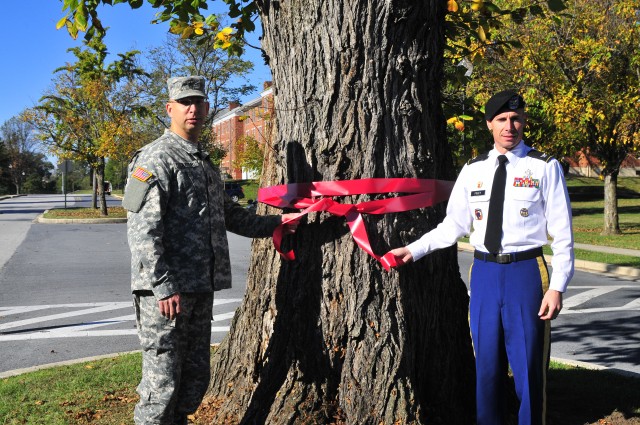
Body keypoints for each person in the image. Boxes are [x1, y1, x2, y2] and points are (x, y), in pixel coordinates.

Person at [386, 90, 574, 425]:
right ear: (489, 124)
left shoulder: (544, 167)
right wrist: (413, 250)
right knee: (486, 367)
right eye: (501, 119)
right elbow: (452, 226)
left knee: (529, 367)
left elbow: (563, 235)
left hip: (526, 272)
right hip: (484, 273)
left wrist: (557, 287)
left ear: (524, 121)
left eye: (516, 118)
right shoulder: (472, 171)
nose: (509, 126)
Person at [122, 76, 298, 425]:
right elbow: (142, 231)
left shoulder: (203, 162)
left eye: (198, 103)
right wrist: (164, 285)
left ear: (206, 109)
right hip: (166, 294)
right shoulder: (155, 159)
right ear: (170, 109)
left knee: (193, 380)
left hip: (199, 288)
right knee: (161, 388)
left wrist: (279, 224)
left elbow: (228, 215)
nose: (192, 109)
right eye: (184, 102)